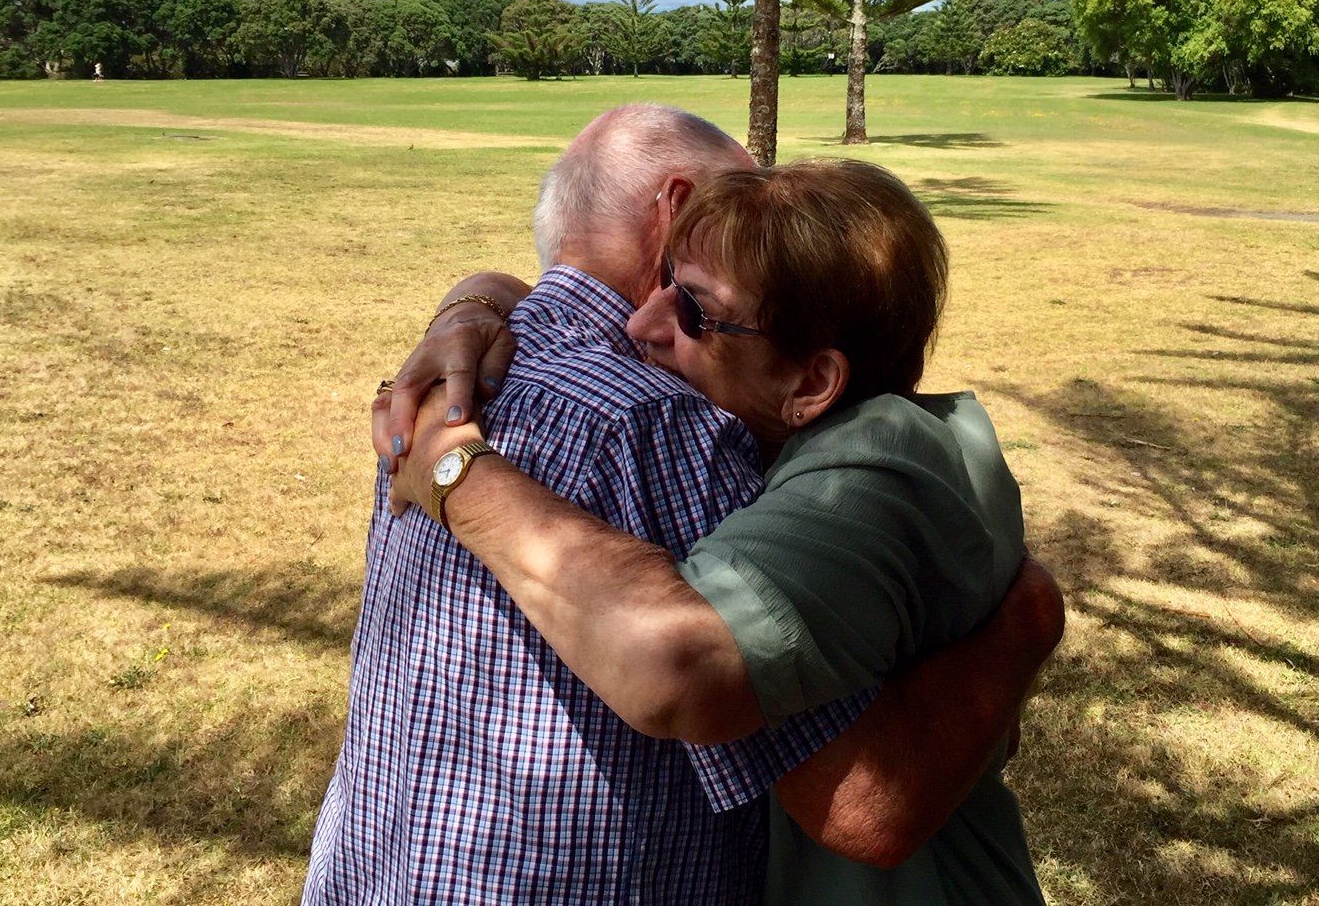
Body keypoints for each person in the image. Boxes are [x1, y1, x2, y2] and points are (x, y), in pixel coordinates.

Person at [306, 105, 1063, 904]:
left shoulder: (442, 388)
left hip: (367, 871)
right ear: (676, 207)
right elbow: (861, 801)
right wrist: (1026, 618)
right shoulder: (659, 418)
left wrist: (475, 317)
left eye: (695, 302)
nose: (648, 320)